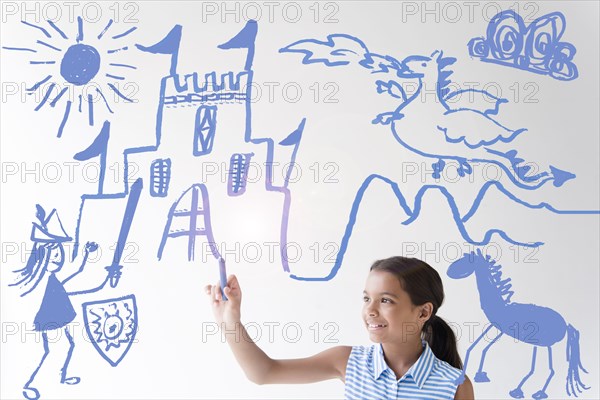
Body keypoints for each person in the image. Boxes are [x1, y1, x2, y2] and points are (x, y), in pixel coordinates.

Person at [205, 256, 474, 399]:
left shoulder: (454, 385)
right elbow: (264, 373)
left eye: (386, 300)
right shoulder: (348, 361)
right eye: (367, 298)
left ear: (424, 312)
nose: (370, 310)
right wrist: (231, 323)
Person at [11, 206, 119, 400]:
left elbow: (77, 278)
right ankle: (30, 384)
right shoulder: (44, 281)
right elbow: (76, 287)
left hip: (59, 316)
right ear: (42, 255)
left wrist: (90, 260)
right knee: (49, 350)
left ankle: (61, 377)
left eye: (58, 250)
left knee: (68, 345)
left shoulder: (53, 279)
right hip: (50, 317)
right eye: (53, 251)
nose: (58, 256)